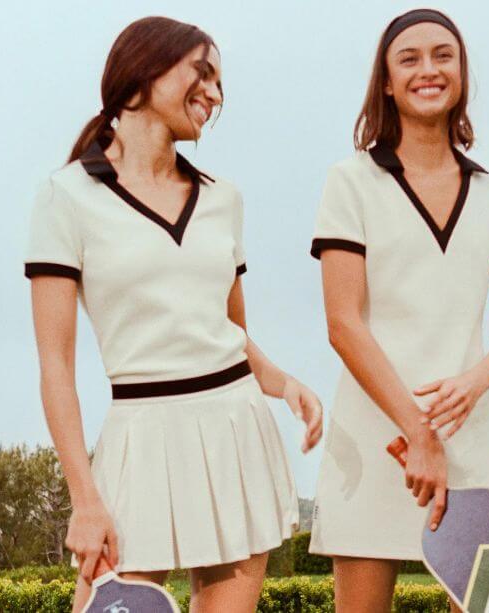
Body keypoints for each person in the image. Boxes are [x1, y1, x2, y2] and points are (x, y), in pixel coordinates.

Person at [23, 17, 323, 613]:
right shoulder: (65, 196)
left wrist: (282, 382)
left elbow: (231, 331)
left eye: (219, 81)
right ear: (143, 72)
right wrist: (85, 498)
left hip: (235, 432)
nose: (214, 93)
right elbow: (55, 366)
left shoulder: (223, 199)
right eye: (202, 72)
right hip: (139, 441)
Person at [308, 8, 489, 612]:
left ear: (461, 72)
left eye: (443, 55)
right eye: (408, 59)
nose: (428, 69)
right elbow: (342, 323)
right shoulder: (349, 182)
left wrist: (473, 381)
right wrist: (416, 428)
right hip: (374, 433)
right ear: (385, 81)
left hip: (468, 436)